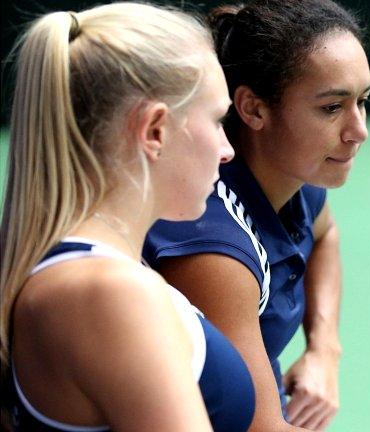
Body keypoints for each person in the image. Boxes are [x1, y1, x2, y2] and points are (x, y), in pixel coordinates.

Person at [0, 3, 255, 431]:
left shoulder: (92, 275)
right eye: (217, 120)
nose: (227, 149)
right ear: (155, 129)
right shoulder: (108, 292)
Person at [142, 0, 370, 430]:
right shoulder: (217, 253)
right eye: (331, 108)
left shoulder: (297, 180)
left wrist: (324, 349)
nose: (359, 130)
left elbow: (326, 236)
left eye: (363, 100)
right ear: (253, 109)